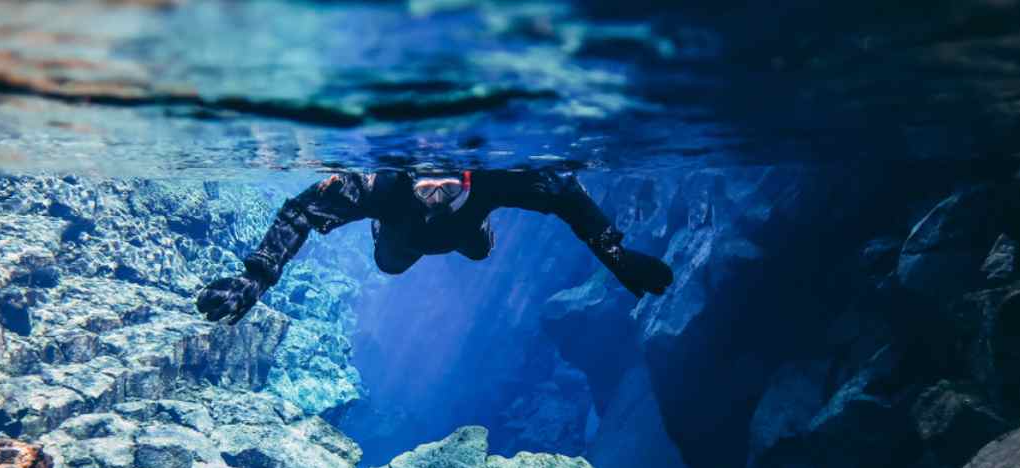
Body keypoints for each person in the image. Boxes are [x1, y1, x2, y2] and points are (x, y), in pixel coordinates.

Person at [196, 169, 673, 324]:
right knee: (390, 264)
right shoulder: (384, 187)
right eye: (426, 188)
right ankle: (391, 230)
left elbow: (565, 192)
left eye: (448, 187)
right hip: (400, 235)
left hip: (465, 230)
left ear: (468, 176)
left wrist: (616, 255)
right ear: (410, 179)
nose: (436, 197)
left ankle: (475, 224)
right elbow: (302, 209)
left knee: (479, 250)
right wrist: (257, 276)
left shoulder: (493, 178)